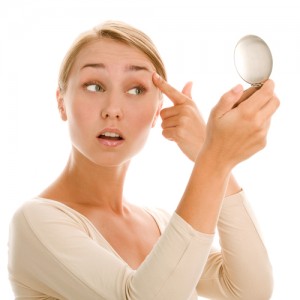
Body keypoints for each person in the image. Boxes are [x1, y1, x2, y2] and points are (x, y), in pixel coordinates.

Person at [8, 21, 279, 300]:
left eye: (136, 90)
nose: (112, 110)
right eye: (94, 86)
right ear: (61, 101)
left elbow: (250, 290)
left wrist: (206, 152)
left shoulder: (160, 224)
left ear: (157, 111)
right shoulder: (36, 222)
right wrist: (214, 159)